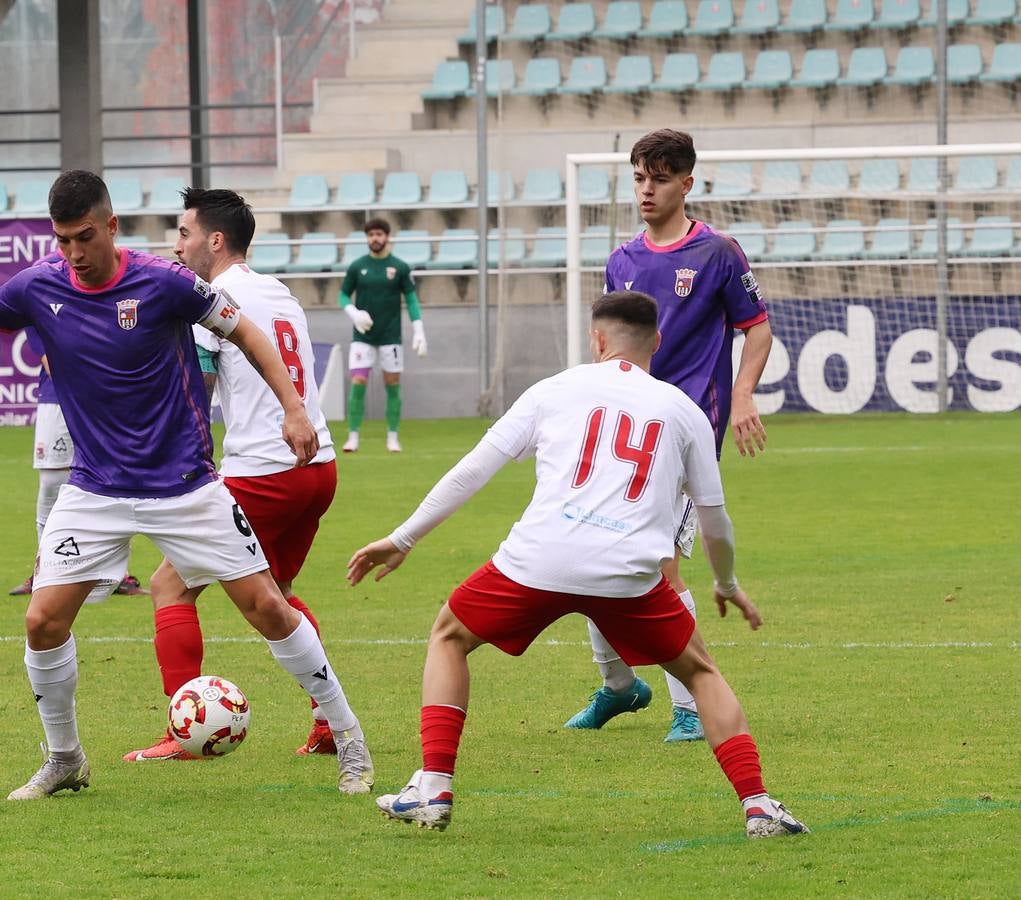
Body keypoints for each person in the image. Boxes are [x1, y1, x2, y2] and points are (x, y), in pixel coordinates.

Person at [0, 170, 374, 800]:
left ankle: (351, 739)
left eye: (84, 237)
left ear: (112, 226)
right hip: (94, 489)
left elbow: (247, 334)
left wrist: (292, 408)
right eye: (63, 239)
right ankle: (65, 759)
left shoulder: (166, 281)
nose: (74, 252)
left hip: (184, 485)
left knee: (266, 606)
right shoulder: (41, 285)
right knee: (43, 620)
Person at [347, 291, 806, 839]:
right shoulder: (683, 409)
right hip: (630, 573)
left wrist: (403, 538)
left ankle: (435, 787)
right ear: (656, 342)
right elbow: (714, 519)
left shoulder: (552, 390)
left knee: (449, 634)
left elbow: (474, 470)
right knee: (701, 673)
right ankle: (757, 806)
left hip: (539, 560)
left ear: (597, 341)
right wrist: (727, 583)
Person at [565, 128, 774, 743]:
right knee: (590, 555)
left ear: (687, 182)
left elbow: (756, 330)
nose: (647, 189)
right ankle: (620, 687)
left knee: (660, 568)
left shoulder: (718, 253)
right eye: (638, 177)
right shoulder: (623, 260)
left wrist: (740, 399)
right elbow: (607, 347)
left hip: (688, 434)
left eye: (659, 178)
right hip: (627, 432)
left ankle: (688, 704)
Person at [121, 187, 342, 762]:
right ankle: (328, 721)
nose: (177, 244)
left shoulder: (210, 298)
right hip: (316, 466)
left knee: (171, 585)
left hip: (264, 470)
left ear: (214, 240)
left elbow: (194, 387)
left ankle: (181, 731)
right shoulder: (280, 293)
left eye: (185, 232)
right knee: (280, 595)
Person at [9, 326, 145, 599]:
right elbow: (52, 363)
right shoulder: (42, 298)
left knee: (114, 480)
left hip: (108, 403)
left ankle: (117, 574)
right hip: (58, 403)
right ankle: (45, 569)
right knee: (51, 484)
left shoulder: (110, 297)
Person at [339, 217, 426, 454]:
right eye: (370, 234)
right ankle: (353, 436)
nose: (374, 238)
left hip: (390, 336)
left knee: (393, 384)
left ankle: (393, 436)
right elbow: (343, 295)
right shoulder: (358, 267)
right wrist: (353, 313)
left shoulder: (399, 267)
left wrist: (418, 328)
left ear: (387, 237)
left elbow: (411, 298)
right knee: (358, 382)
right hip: (362, 336)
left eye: (379, 234)